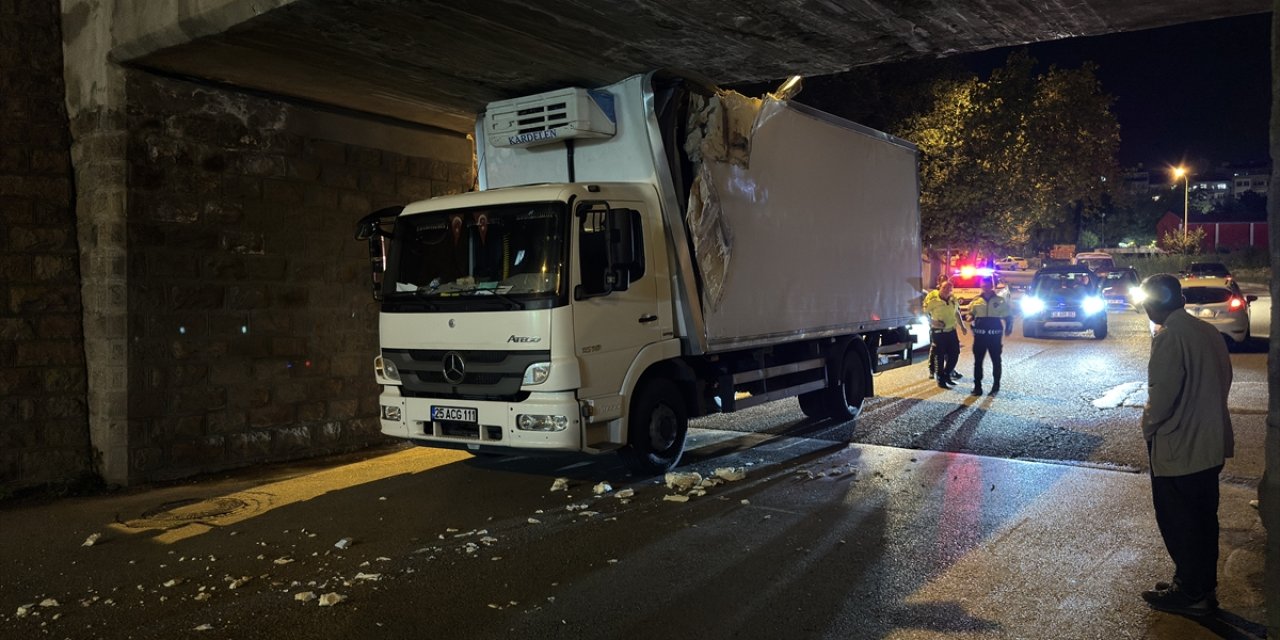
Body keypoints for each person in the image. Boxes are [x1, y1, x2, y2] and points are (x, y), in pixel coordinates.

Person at [1138, 273, 1234, 617]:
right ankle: (1198, 585)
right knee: (1204, 520)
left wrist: (1148, 429)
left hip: (1180, 448)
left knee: (1180, 522)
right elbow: (1225, 379)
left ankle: (1191, 592)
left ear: (1153, 305)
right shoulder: (1207, 332)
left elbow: (1160, 399)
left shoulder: (1169, 338)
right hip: (1210, 443)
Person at [967, 277, 1012, 395]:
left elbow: (1008, 316)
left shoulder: (1000, 300)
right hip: (980, 336)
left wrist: (1008, 328)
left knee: (996, 361)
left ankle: (996, 386)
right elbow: (970, 313)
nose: (985, 287)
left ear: (992, 286)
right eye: (983, 285)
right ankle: (977, 387)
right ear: (981, 286)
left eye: (987, 285)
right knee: (978, 362)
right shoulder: (976, 300)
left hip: (994, 336)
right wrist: (970, 317)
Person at [924, 279, 967, 389]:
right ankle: (940, 379)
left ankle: (947, 374)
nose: (946, 290)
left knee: (955, 353)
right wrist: (933, 322)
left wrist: (962, 326)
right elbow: (923, 314)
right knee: (940, 356)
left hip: (951, 331)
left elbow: (957, 312)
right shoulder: (933, 301)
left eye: (949, 288)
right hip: (938, 333)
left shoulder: (953, 299)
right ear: (939, 288)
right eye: (944, 288)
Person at [923, 274, 950, 380]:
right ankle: (932, 370)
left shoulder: (950, 295)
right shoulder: (932, 295)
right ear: (938, 283)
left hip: (948, 328)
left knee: (949, 350)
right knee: (935, 349)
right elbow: (925, 310)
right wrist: (932, 322)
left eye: (946, 281)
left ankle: (949, 370)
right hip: (936, 327)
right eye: (942, 281)